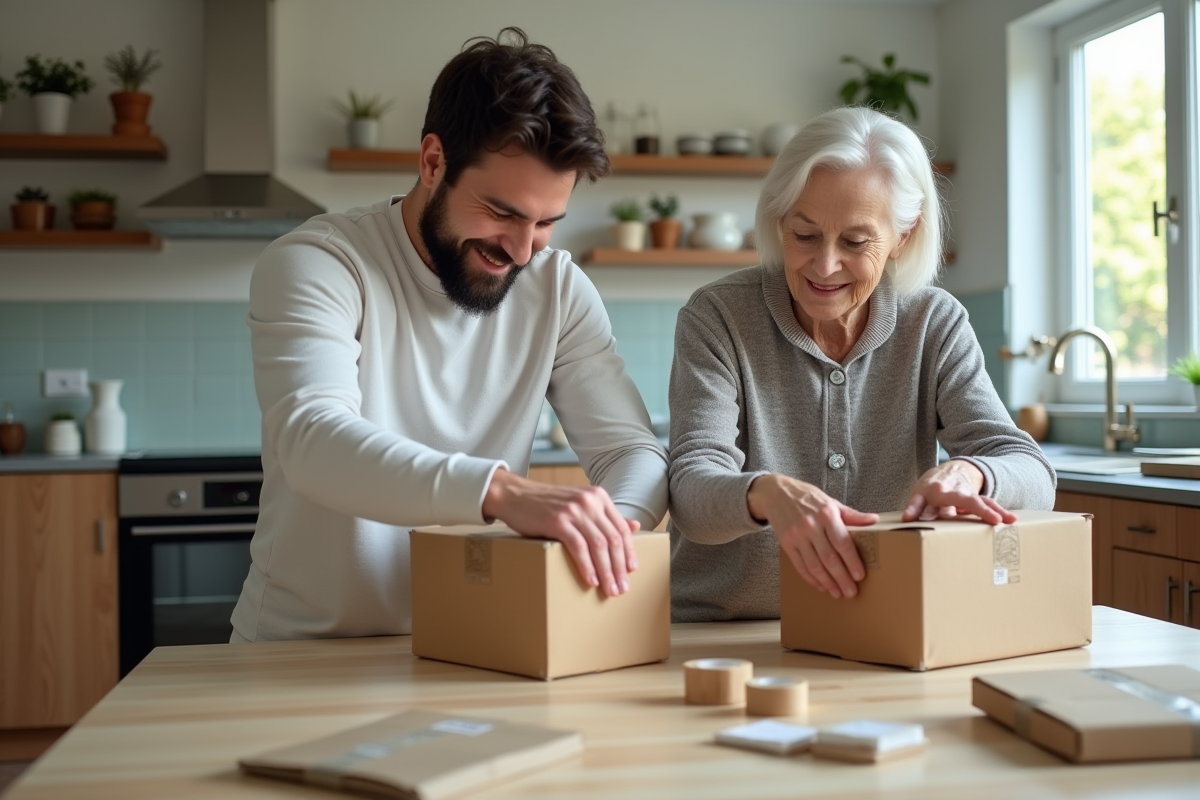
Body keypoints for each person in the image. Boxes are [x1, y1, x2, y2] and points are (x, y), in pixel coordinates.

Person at [231, 28, 667, 642]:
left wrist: (612, 532)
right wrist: (499, 491)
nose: (521, 251)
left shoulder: (559, 288)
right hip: (301, 649)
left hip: (470, 644)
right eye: (503, 213)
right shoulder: (321, 263)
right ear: (433, 161)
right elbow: (312, 440)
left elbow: (632, 453)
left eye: (546, 223)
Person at [667, 106, 1055, 623]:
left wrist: (971, 473)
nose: (824, 266)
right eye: (804, 235)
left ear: (904, 235)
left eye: (855, 241)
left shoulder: (934, 323)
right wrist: (766, 495)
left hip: (880, 625)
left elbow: (1032, 472)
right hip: (724, 629)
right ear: (779, 219)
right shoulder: (718, 316)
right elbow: (691, 493)